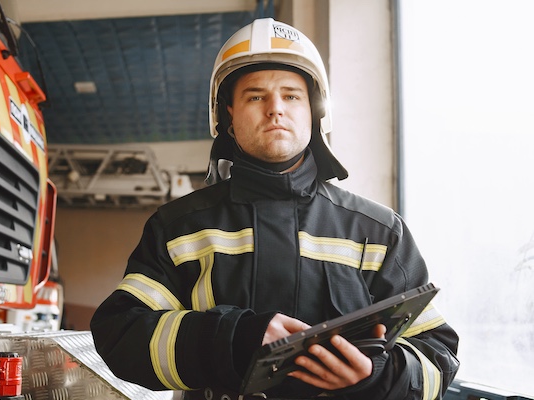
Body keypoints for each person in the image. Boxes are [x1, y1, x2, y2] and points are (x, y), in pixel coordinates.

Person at [90, 18, 459, 400]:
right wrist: (233, 339)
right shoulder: (179, 227)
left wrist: (379, 375)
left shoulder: (379, 231)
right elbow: (121, 334)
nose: (275, 109)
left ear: (315, 113)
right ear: (227, 114)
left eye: (292, 95)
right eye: (254, 96)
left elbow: (438, 354)